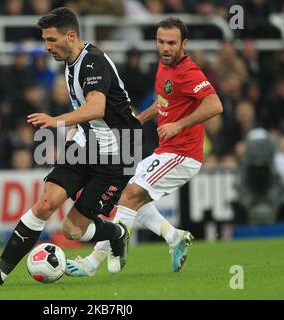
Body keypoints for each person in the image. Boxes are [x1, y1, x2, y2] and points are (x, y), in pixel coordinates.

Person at [0, 7, 142, 288]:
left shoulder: (93, 62)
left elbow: (97, 107)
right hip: (86, 144)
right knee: (45, 204)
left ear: (71, 35)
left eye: (51, 40)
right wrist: (74, 132)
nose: (46, 47)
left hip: (119, 152)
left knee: (73, 230)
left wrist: (57, 121)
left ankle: (116, 233)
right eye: (44, 40)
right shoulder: (69, 61)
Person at [65, 17, 223, 276]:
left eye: (171, 43)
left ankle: (93, 262)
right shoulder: (163, 66)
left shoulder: (189, 72)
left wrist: (179, 125)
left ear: (184, 43)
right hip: (167, 150)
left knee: (129, 195)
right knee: (127, 192)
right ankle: (174, 237)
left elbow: (215, 105)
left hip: (183, 154)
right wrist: (139, 119)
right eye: (161, 42)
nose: (165, 48)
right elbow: (163, 102)